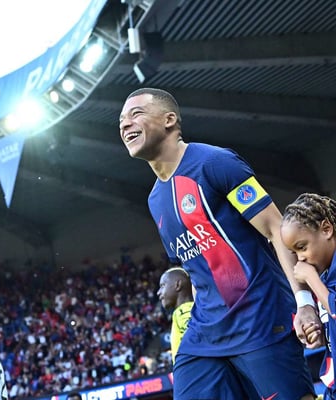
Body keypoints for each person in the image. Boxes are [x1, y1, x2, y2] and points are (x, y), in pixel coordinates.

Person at [118, 87, 322, 399]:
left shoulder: (215, 162)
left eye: (136, 114)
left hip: (261, 320)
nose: (125, 124)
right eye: (121, 120)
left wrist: (304, 302)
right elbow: (195, 268)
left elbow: (275, 229)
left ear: (169, 120)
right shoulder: (155, 200)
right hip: (205, 335)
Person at [281, 192, 336, 399]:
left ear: (326, 229)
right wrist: (322, 334)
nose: (300, 258)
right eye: (294, 253)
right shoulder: (325, 275)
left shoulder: (317, 278)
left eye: (302, 247)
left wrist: (311, 279)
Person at [157, 267, 194, 364]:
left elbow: (198, 342)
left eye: (162, 286)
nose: (158, 292)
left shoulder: (184, 311)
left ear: (177, 285)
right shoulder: (190, 310)